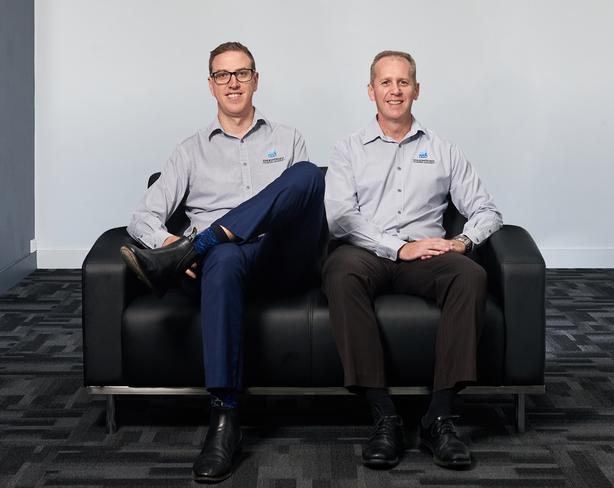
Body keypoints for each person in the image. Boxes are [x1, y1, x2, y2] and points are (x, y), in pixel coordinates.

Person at [121, 41, 325, 483]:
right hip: (222, 271)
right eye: (222, 75)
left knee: (309, 175)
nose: (233, 82)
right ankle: (224, 420)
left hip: (279, 260)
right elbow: (142, 218)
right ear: (210, 85)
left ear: (256, 80)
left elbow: (303, 201)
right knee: (226, 256)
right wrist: (171, 239)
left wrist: (198, 242)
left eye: (242, 73)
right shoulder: (189, 151)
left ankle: (201, 244)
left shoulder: (289, 139)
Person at [322, 50, 502, 470]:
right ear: (371, 91)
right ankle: (383, 415)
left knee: (470, 276)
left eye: (403, 82)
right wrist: (396, 247)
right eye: (386, 82)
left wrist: (461, 242)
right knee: (340, 271)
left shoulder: (443, 149)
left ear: (416, 90)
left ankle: (439, 417)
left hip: (428, 256)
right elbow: (340, 218)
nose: (395, 90)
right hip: (366, 252)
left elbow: (487, 211)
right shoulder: (348, 149)